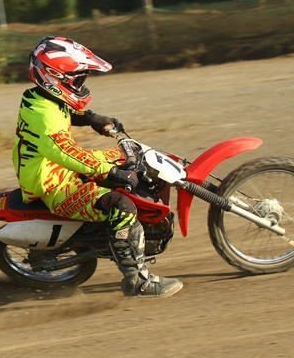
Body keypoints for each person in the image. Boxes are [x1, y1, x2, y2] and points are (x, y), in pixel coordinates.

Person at [13, 36, 183, 298]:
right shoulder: (43, 116)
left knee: (135, 156)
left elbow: (65, 111)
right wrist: (112, 173)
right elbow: (67, 153)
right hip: (55, 184)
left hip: (62, 169)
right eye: (77, 80)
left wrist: (92, 118)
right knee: (121, 204)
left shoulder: (39, 97)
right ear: (54, 77)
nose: (81, 84)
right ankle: (137, 280)